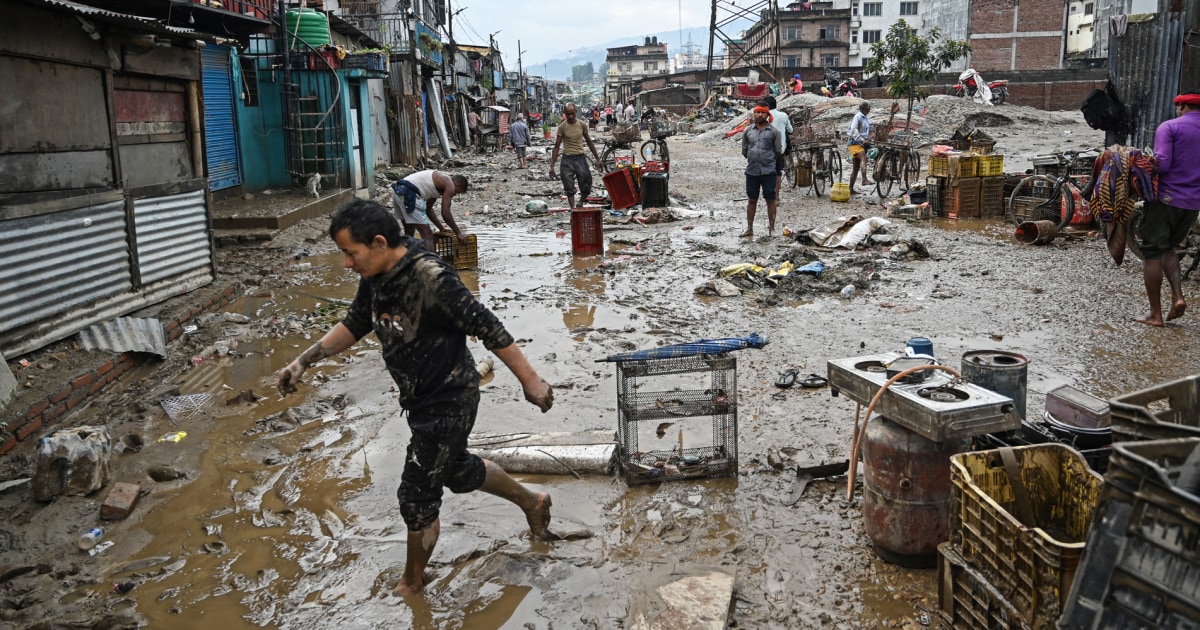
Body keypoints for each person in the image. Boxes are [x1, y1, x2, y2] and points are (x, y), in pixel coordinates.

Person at [276, 199, 555, 597]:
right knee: (457, 470)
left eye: (350, 254)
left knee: (417, 493)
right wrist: (303, 361)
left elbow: (487, 325)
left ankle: (412, 584)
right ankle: (533, 502)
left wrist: (532, 381)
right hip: (421, 399)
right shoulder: (375, 274)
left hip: (449, 399)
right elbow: (355, 323)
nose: (347, 264)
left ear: (377, 242)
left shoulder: (430, 278)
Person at [1135, 91, 1200, 326]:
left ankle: (1155, 314)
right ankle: (1178, 297)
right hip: (1193, 203)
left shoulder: (1169, 127)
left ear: (1181, 105)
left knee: (1152, 252)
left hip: (1166, 200)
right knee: (1169, 248)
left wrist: (1141, 162)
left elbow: (1161, 165)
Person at [391, 170, 470, 252]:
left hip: (398, 192)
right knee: (428, 235)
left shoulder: (438, 183)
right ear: (457, 184)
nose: (454, 194)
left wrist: (441, 228)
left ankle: (404, 260)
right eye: (457, 192)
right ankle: (432, 263)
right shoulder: (449, 184)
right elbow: (445, 212)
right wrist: (458, 233)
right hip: (409, 194)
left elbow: (428, 209)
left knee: (409, 232)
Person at [548, 103, 603, 208]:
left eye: (572, 114)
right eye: (568, 114)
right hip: (567, 160)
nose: (570, 116)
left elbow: (589, 142)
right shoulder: (562, 127)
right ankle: (573, 210)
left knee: (587, 185)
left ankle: (581, 201)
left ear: (576, 113)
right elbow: (557, 146)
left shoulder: (582, 125)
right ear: (565, 114)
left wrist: (598, 159)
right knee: (569, 187)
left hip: (580, 158)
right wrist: (552, 166)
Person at [740, 103, 781, 238]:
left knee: (771, 199)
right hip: (752, 171)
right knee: (752, 199)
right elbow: (745, 150)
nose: (759, 115)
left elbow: (777, 151)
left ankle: (772, 229)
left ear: (767, 115)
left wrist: (766, 160)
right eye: (757, 112)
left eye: (763, 113)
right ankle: (750, 228)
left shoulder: (774, 132)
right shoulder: (748, 131)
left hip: (768, 171)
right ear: (754, 114)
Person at [764, 95, 793, 200]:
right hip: (779, 149)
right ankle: (776, 196)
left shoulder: (763, 117)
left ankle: (768, 192)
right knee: (777, 171)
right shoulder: (783, 115)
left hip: (765, 150)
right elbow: (790, 130)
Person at [847, 101, 873, 194]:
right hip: (855, 143)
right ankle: (864, 179)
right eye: (869, 108)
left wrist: (868, 138)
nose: (870, 109)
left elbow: (867, 130)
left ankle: (850, 188)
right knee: (864, 158)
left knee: (856, 168)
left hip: (862, 144)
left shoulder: (866, 118)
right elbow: (854, 130)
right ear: (866, 109)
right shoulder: (858, 117)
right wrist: (861, 140)